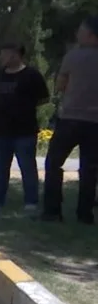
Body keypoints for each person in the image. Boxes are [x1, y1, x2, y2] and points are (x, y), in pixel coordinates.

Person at [42, 15, 98, 224]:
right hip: (95, 122)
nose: (78, 34)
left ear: (91, 36)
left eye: (81, 31)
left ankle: (52, 211)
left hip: (71, 118)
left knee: (54, 163)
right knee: (89, 169)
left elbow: (60, 85)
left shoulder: (73, 56)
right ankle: (85, 215)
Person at [0, 42, 49, 212]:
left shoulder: (31, 75)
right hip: (0, 130)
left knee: (27, 167)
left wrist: (23, 108)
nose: (1, 58)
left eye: (4, 54)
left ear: (14, 55)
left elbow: (44, 98)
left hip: (24, 131)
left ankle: (31, 202)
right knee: (0, 168)